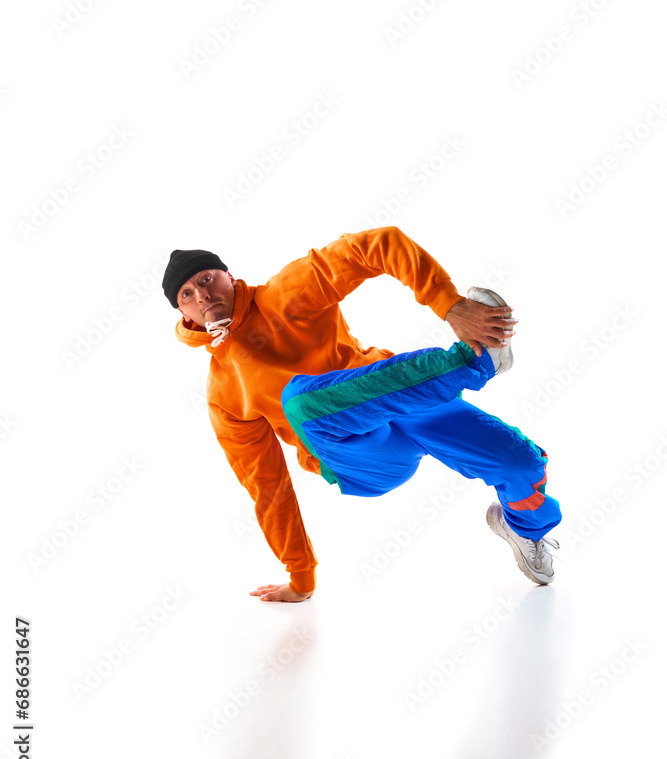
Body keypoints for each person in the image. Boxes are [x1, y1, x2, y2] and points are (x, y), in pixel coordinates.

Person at [162, 226, 561, 602]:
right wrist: (300, 576)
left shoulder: (285, 295)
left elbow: (375, 245)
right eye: (186, 294)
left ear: (229, 276)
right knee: (300, 402)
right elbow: (266, 484)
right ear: (185, 316)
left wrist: (449, 304)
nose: (201, 294)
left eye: (206, 279)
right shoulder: (223, 394)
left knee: (521, 462)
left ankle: (525, 529)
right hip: (359, 456)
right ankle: (475, 360)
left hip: (395, 399)